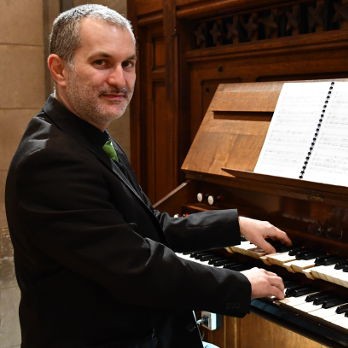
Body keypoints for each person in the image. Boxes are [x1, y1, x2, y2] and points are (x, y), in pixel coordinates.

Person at [5, 4, 292, 348]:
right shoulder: (51, 160)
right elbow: (137, 267)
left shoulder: (86, 135)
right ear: (59, 69)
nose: (120, 79)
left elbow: (147, 226)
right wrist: (240, 284)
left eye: (128, 64)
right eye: (102, 62)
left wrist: (235, 224)